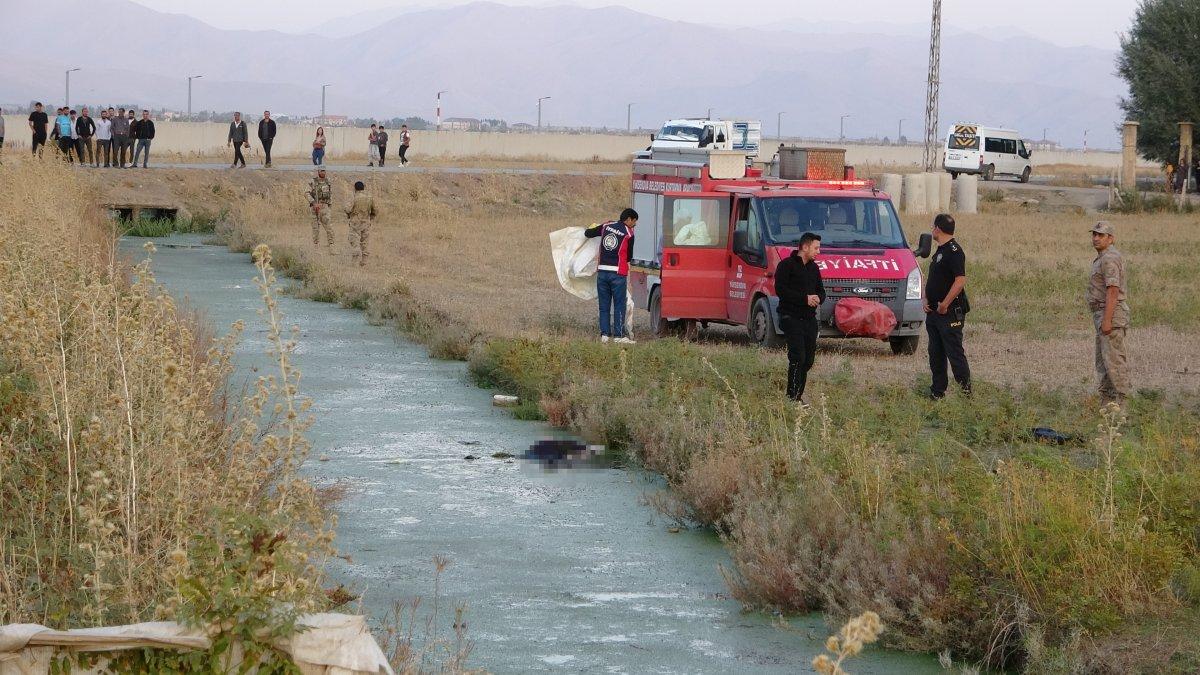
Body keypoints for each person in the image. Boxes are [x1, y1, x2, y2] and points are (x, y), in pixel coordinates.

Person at [775, 232, 826, 403]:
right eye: (816, 248)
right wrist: (804, 299)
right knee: (798, 357)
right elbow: (781, 290)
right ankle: (793, 397)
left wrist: (819, 298)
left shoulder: (814, 268)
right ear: (805, 247)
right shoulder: (786, 266)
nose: (818, 251)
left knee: (809, 360)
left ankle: (797, 394)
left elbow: (821, 291)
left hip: (809, 320)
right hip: (791, 317)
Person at [924, 213, 971, 399]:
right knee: (935, 353)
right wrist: (927, 299)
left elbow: (960, 281)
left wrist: (944, 304)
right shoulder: (940, 250)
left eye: (933, 227)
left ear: (938, 229)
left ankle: (966, 393)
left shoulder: (954, 252)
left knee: (954, 353)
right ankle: (937, 391)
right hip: (934, 311)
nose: (932, 230)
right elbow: (936, 279)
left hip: (949, 312)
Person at [1087, 221, 1131, 407]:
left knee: (1113, 361)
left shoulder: (1109, 258)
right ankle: (1107, 403)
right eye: (1094, 234)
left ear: (1111, 238)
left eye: (1101, 235)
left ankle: (1124, 406)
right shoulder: (1104, 257)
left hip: (1110, 313)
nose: (1096, 238)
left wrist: (1107, 320)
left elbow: (1113, 290)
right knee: (1104, 361)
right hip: (1104, 312)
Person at [584, 208, 638, 344]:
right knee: (619, 304)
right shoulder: (629, 234)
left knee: (604, 305)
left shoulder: (606, 225)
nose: (634, 225)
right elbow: (629, 257)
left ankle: (605, 335)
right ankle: (619, 336)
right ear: (629, 219)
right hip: (617, 274)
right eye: (634, 222)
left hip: (602, 272)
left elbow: (588, 233)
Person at [345, 180, 377, 266]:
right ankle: (364, 261)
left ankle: (354, 262)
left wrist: (349, 215)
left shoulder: (354, 197)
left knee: (354, 240)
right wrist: (370, 218)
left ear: (355, 188)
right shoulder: (370, 197)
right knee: (365, 241)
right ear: (363, 188)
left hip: (355, 222)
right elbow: (375, 210)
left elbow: (347, 209)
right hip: (366, 222)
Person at [307, 166, 334, 248]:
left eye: (324, 171)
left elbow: (330, 194)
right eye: (321, 171)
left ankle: (331, 244)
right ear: (318, 171)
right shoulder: (313, 181)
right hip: (314, 207)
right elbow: (306, 193)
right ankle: (316, 244)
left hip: (324, 207)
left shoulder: (328, 181)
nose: (323, 172)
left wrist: (329, 205)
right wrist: (313, 203)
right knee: (315, 227)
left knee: (329, 226)